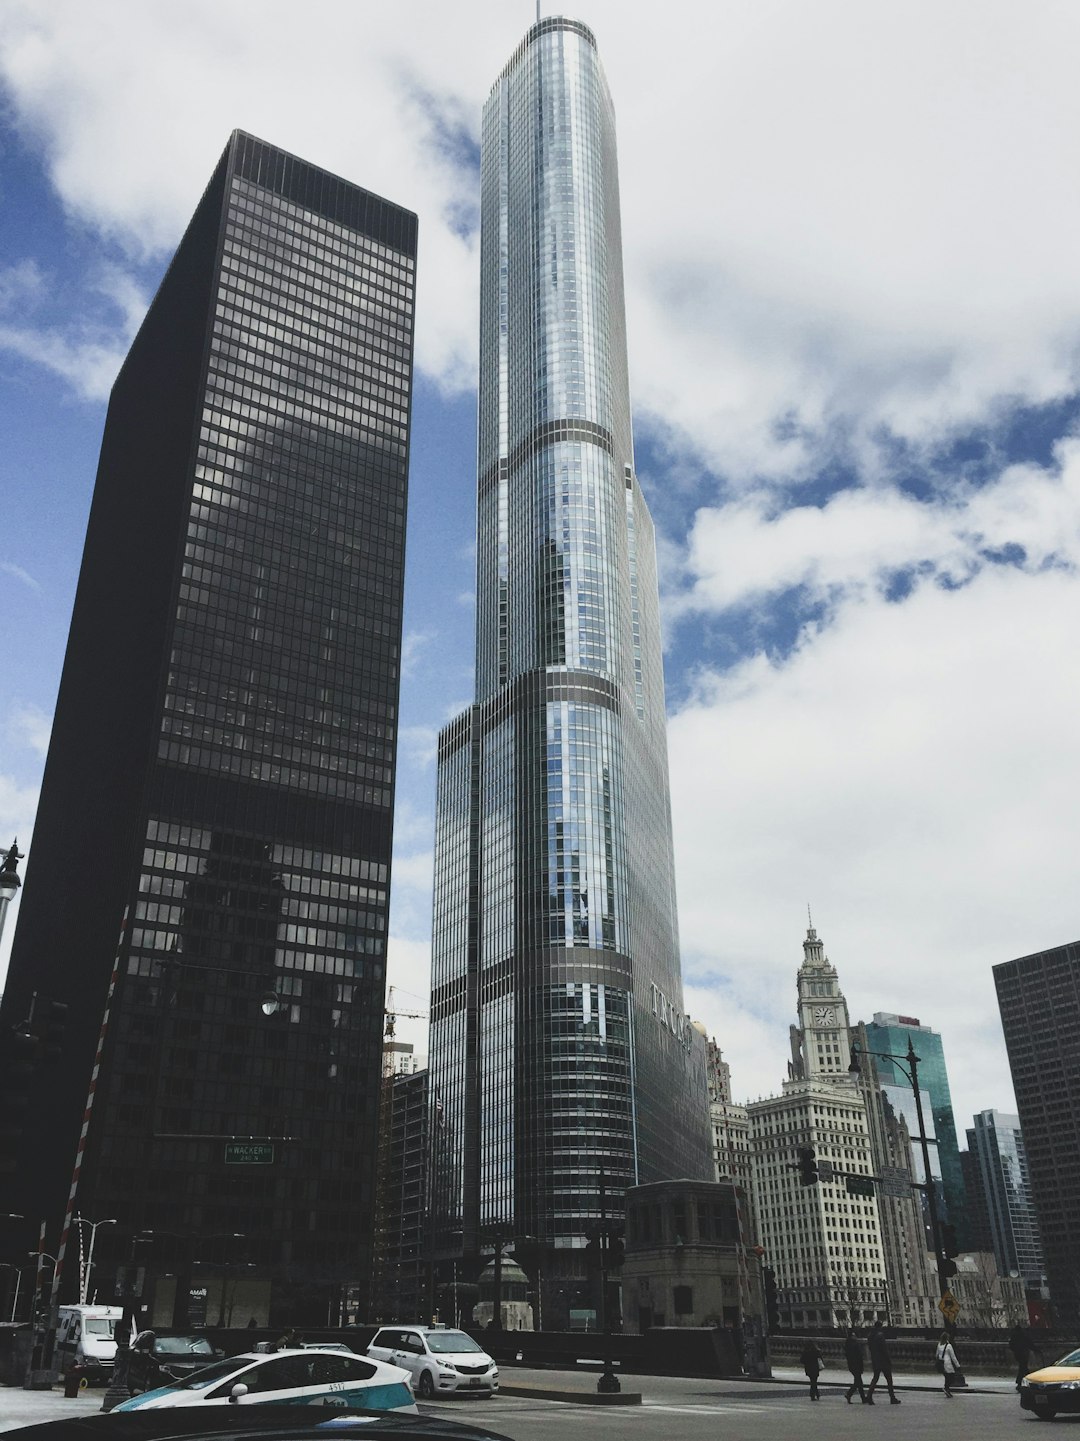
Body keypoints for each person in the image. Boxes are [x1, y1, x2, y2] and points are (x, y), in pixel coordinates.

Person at [867, 1320, 900, 1403]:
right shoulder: (880, 1336)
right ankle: (892, 1397)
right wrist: (888, 1360)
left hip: (875, 1360)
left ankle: (869, 1396)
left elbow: (870, 1348)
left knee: (875, 1378)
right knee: (889, 1380)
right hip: (883, 1361)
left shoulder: (870, 1335)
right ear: (880, 1327)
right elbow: (884, 1350)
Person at [1009, 1324, 1036, 1391]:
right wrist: (1036, 1349)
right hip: (1024, 1353)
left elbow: (1011, 1345)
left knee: (1023, 1367)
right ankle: (1026, 1380)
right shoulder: (1024, 1335)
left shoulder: (1014, 1336)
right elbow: (1030, 1343)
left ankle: (1025, 1381)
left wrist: (1016, 1350)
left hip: (1018, 1354)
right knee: (1023, 1367)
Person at [844, 1328, 868, 1403]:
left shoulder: (848, 1344)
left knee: (858, 1382)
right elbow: (859, 1356)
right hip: (856, 1365)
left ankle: (862, 1398)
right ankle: (849, 1394)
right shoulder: (855, 1344)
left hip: (852, 1365)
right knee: (858, 1382)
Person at [936, 1331, 960, 1398]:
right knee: (951, 1377)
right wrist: (957, 1365)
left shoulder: (939, 1344)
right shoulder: (949, 1346)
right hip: (947, 1363)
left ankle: (947, 1389)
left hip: (941, 1363)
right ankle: (946, 1388)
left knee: (947, 1377)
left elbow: (936, 1354)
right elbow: (953, 1356)